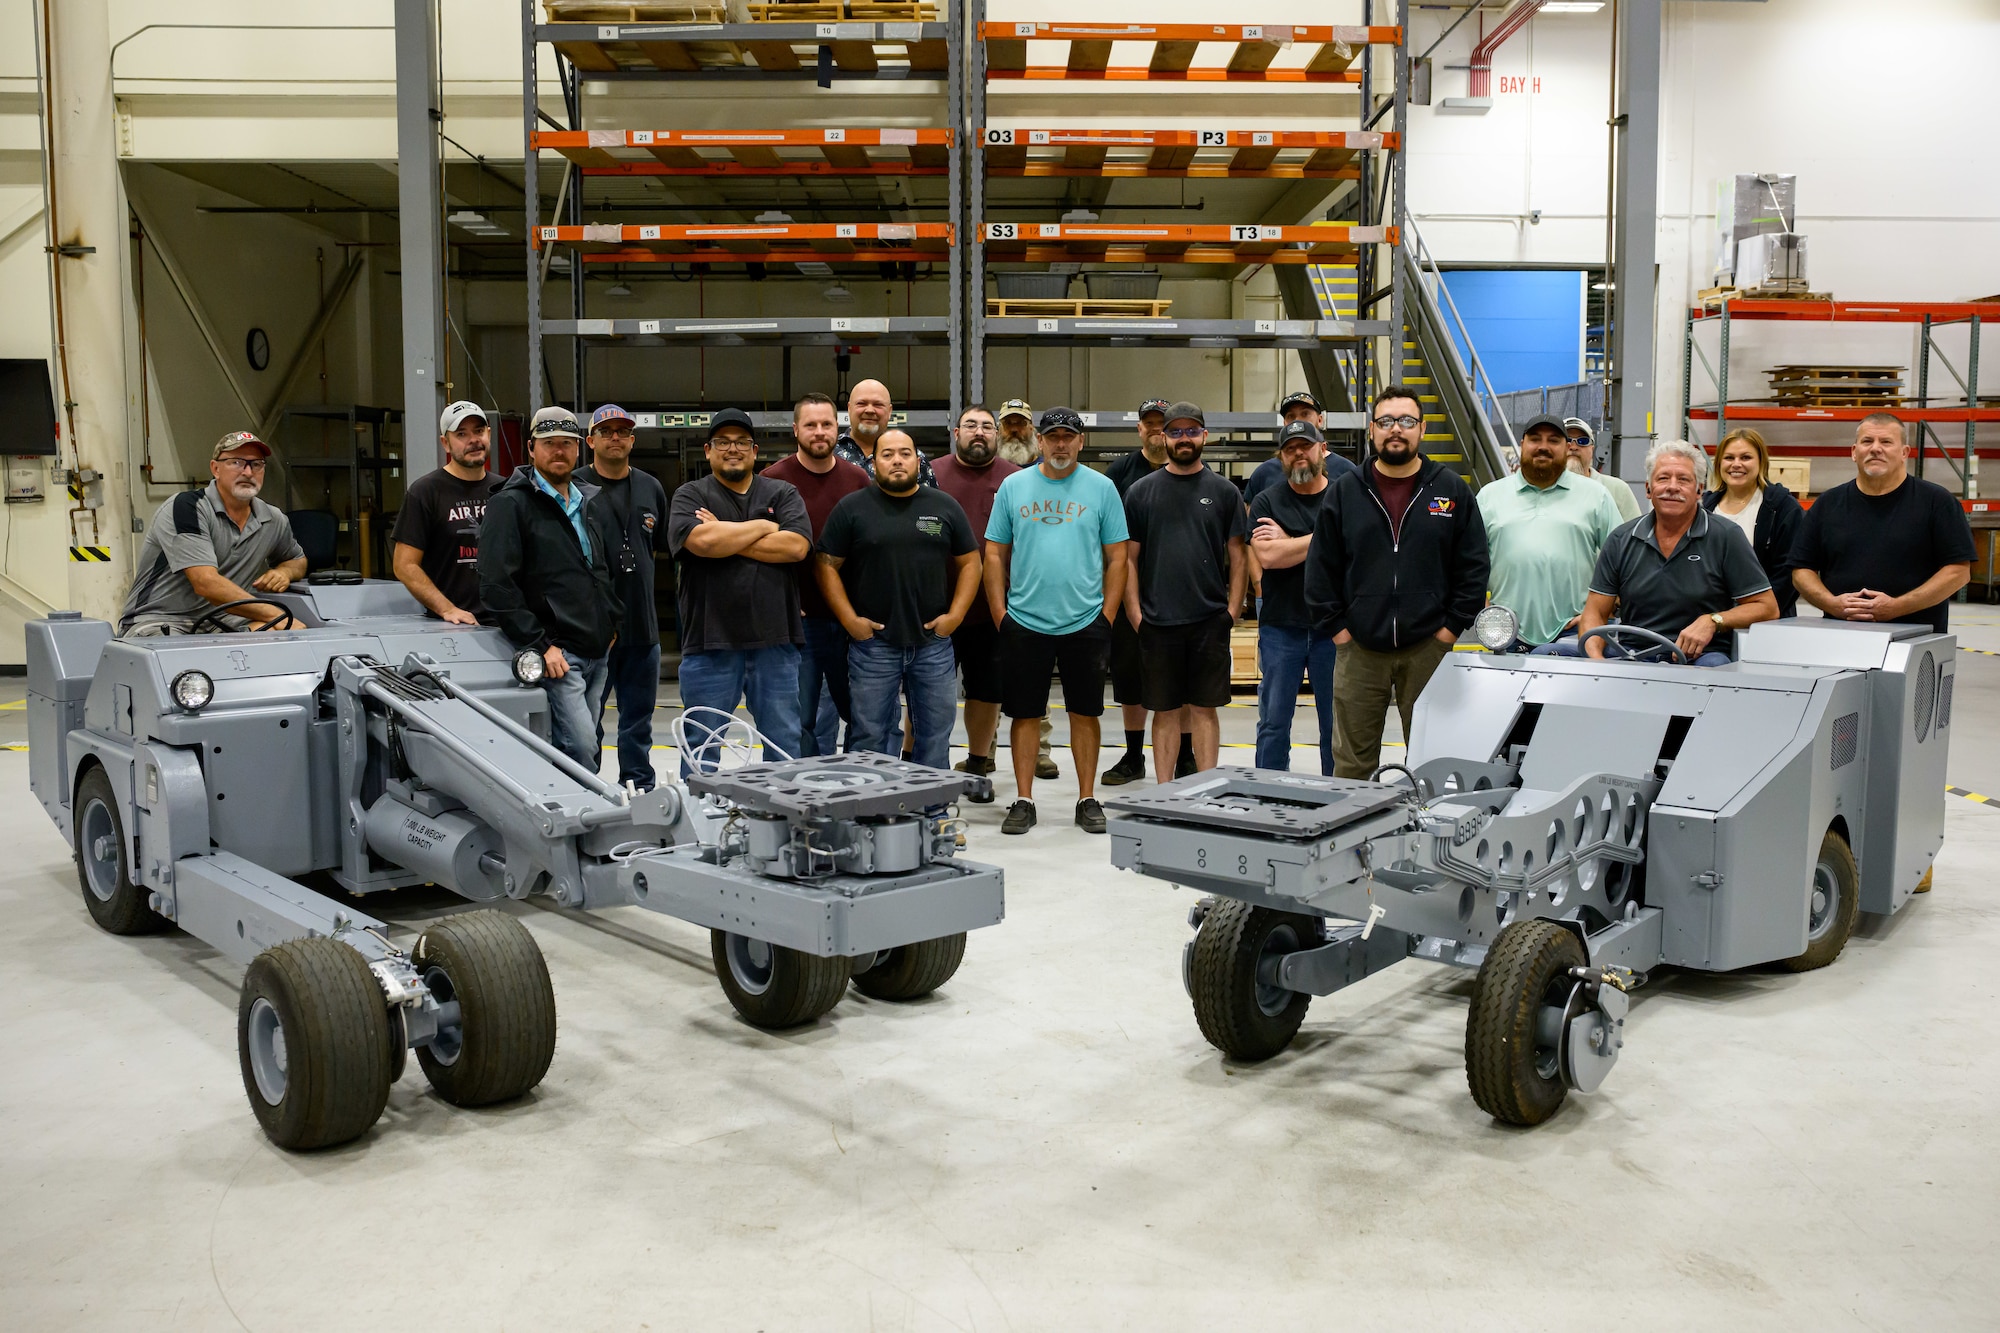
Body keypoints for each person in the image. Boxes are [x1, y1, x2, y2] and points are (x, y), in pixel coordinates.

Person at [1305, 385, 1489, 780]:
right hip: (1359, 650)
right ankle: (1355, 839)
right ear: (1372, 430)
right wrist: (1339, 632)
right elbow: (1321, 570)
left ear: (1421, 429)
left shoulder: (1451, 490)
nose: (1396, 429)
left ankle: (1429, 838)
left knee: (1433, 762)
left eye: (1406, 421)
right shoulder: (1345, 492)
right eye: (1386, 421)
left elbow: (1473, 567)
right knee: (1352, 765)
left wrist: (1450, 630)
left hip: (1429, 648)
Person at [985, 406, 1129, 835]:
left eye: (1069, 436)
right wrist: (1000, 614)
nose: (1061, 444)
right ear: (1040, 441)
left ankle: (1087, 798)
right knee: (1024, 715)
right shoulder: (1013, 487)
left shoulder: (1102, 489)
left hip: (1085, 621)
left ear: (1080, 442)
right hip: (1025, 621)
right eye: (1053, 437)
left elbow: (1118, 557)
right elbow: (994, 553)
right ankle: (1024, 799)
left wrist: (1106, 615)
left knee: (1085, 713)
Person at [817, 431, 981, 769]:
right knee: (870, 734)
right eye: (887, 454)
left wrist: (956, 616)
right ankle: (871, 810)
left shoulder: (943, 505)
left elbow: (971, 562)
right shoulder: (852, 508)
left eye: (905, 454)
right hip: (873, 645)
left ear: (917, 461)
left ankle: (932, 811)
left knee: (935, 733)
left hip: (933, 644)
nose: (896, 460)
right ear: (873, 462)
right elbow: (826, 565)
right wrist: (850, 620)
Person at [477, 407, 623, 770]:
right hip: (558, 656)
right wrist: (540, 645)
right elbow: (496, 586)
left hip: (597, 649)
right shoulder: (510, 504)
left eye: (567, 444)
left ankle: (578, 819)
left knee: (587, 745)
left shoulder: (588, 501)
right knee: (581, 749)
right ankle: (576, 822)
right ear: (531, 448)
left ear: (578, 449)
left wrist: (611, 622)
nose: (559, 451)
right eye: (549, 444)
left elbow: (600, 567)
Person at [667, 408, 813, 765]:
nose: (732, 449)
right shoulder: (690, 495)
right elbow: (701, 544)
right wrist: (765, 526)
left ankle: (780, 817)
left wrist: (726, 532)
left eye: (741, 442)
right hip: (709, 643)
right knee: (702, 746)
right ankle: (701, 817)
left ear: (753, 450)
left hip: (775, 643)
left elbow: (796, 547)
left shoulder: (783, 492)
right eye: (722, 442)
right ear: (708, 450)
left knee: (783, 742)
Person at [1548, 440, 1778, 667]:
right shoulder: (1621, 539)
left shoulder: (1726, 537)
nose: (1672, 487)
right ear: (1648, 489)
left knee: (1714, 673)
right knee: (1546, 653)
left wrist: (1714, 620)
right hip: (1630, 654)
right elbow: (1595, 613)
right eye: (1663, 478)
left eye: (1684, 479)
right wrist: (1596, 662)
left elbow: (1766, 607)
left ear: (1699, 490)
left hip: (1699, 658)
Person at [1123, 402, 1247, 781]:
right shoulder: (1141, 492)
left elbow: (1238, 557)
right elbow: (1127, 559)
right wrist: (1135, 615)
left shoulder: (1224, 492)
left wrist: (1232, 611)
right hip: (1158, 622)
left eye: (1191, 431)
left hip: (1209, 621)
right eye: (1175, 432)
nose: (1184, 438)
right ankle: (1164, 795)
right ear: (1163, 437)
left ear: (1204, 436)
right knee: (1165, 711)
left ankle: (1207, 791)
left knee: (1205, 710)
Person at [1792, 412, 1974, 634]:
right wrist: (1832, 604)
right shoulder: (1828, 503)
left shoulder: (1937, 502)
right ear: (1854, 452)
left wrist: (1897, 607)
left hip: (1916, 638)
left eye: (1886, 442)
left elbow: (1959, 572)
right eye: (1867, 441)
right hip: (1840, 633)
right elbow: (1801, 569)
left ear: (1904, 453)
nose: (1875, 448)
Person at [763, 392, 871, 756]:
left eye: (827, 424)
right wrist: (780, 604)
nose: (819, 432)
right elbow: (757, 552)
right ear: (796, 430)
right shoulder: (772, 481)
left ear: (837, 429)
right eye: (811, 425)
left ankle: (857, 793)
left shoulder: (858, 481)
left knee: (863, 718)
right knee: (796, 721)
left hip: (848, 622)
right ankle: (800, 799)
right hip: (797, 624)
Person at [118, 430, 308, 636]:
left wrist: (284, 572)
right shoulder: (186, 508)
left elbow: (297, 560)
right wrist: (274, 614)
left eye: (256, 464)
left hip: (224, 622)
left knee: (285, 638)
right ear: (215, 468)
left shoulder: (272, 518)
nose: (247, 472)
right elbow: (205, 583)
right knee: (185, 664)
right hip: (162, 621)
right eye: (236, 462)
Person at [1247, 420, 1350, 773]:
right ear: (1281, 458)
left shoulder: (1344, 495)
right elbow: (1268, 557)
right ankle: (1268, 794)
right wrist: (1325, 536)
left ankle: (1337, 797)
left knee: (1334, 726)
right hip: (1281, 627)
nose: (1299, 454)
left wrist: (1289, 540)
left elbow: (1353, 554)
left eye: (1305, 446)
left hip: (1332, 630)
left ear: (1323, 449)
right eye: (1290, 449)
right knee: (1274, 723)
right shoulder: (1266, 500)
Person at [578, 403, 670, 790]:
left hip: (641, 629)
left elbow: (662, 547)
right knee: (586, 720)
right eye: (606, 431)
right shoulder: (576, 487)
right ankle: (586, 786)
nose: (615, 437)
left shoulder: (650, 487)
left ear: (632, 440)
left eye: (622, 431)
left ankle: (640, 786)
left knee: (638, 719)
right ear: (591, 440)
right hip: (592, 632)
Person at [931, 404, 1020, 796]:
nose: (979, 432)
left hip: (994, 610)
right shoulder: (930, 474)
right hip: (935, 606)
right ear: (956, 433)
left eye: (987, 426)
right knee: (928, 690)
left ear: (997, 435)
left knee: (986, 691)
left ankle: (978, 764)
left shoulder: (1017, 479)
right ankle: (922, 762)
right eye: (971, 425)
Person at [1476, 413, 1621, 650]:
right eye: (1535, 439)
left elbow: (1622, 561)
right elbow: (1470, 564)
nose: (1543, 447)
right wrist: (1483, 607)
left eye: (1554, 440)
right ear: (1522, 444)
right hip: (1506, 632)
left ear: (1566, 448)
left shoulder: (1596, 496)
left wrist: (1600, 611)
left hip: (1575, 632)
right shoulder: (1489, 497)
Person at [1100, 399, 1174, 784]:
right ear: (1140, 429)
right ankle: (1133, 756)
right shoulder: (1120, 473)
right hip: (1128, 592)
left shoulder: (1193, 467)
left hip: (1180, 593)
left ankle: (1189, 755)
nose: (1156, 430)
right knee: (1130, 679)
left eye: (1164, 423)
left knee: (1182, 679)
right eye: (1150, 423)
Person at [392, 401, 503, 624]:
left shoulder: (506, 490)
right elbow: (404, 565)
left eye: (479, 431)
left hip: (504, 625)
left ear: (489, 434)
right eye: (461, 434)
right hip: (451, 627)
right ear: (446, 443)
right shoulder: (425, 492)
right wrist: (447, 609)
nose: (473, 440)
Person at [1701, 426, 1805, 618]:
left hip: (1766, 621)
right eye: (1729, 458)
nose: (1736, 464)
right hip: (1710, 619)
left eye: (1746, 458)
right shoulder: (1704, 508)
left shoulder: (1783, 508)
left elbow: (1789, 572)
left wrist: (1757, 612)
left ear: (1761, 463)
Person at [833, 378, 935, 486]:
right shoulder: (830, 453)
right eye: (862, 403)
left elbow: (930, 501)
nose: (870, 410)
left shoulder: (912, 458)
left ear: (890, 411)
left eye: (878, 405)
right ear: (849, 408)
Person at [1243, 390, 1326, 505]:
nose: (1297, 421)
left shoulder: (1344, 470)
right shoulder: (1265, 473)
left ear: (1320, 420)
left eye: (1305, 414)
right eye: (1291, 416)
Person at [1564, 417, 1641, 523]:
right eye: (1567, 440)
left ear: (1592, 449)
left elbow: (1634, 534)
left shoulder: (1618, 490)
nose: (1573, 447)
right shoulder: (1543, 489)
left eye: (1582, 441)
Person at [995, 399, 1039, 468]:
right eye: (1007, 423)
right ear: (999, 429)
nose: (1014, 429)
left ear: (1031, 428)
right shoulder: (990, 470)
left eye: (1021, 423)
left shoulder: (1045, 470)